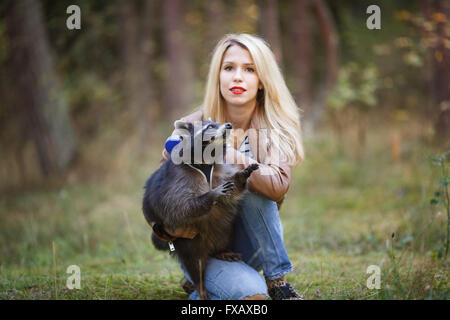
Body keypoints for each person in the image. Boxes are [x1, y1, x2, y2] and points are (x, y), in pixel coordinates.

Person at [157, 33, 305, 300]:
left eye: (249, 69)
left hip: (254, 245)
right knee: (252, 297)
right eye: (229, 68)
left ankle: (277, 282)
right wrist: (170, 231)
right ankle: (204, 277)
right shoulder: (190, 127)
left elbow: (276, 187)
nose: (238, 77)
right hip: (200, 245)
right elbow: (159, 201)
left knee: (249, 182)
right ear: (218, 77)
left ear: (262, 81)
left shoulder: (276, 129)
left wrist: (226, 151)